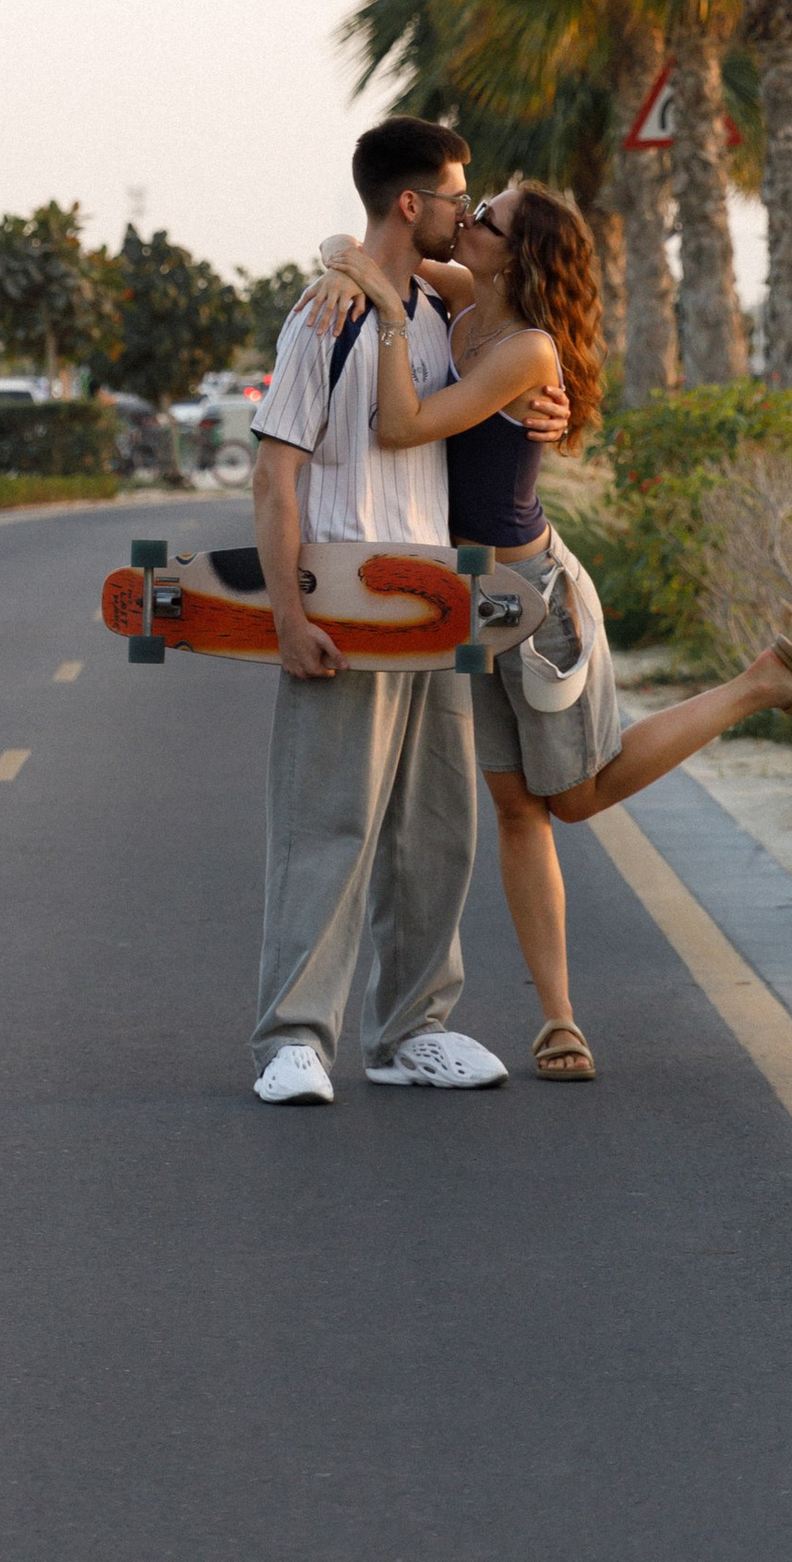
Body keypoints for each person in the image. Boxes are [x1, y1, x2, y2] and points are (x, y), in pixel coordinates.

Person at [311, 178, 792, 1082]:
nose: (469, 220)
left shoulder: (528, 348)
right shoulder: (460, 305)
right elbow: (364, 246)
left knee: (573, 798)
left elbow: (403, 424)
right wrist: (348, 266)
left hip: (533, 598)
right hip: (461, 604)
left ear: (516, 254)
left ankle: (758, 684)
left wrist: (376, 310)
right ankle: (559, 1021)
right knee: (517, 808)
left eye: (486, 220)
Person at [248, 115, 570, 1108]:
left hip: (439, 605)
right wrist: (287, 618)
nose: (465, 214)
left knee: (436, 830)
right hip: (341, 601)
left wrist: (556, 415)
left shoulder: (435, 311)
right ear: (409, 202)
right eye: (454, 198)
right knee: (329, 823)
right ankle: (295, 1037)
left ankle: (410, 1030)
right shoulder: (326, 316)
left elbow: (524, 372)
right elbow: (273, 477)